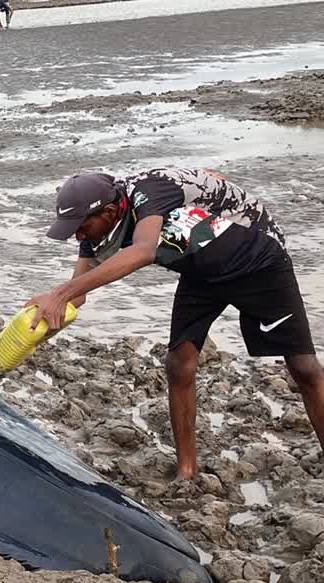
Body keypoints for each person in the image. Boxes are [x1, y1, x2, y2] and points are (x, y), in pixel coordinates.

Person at [28, 168, 324, 481]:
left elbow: (143, 251)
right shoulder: (95, 228)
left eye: (81, 227)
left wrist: (60, 294)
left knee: (303, 368)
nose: (79, 236)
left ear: (111, 211)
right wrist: (31, 327)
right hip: (200, 266)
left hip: (256, 259)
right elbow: (78, 294)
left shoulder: (149, 192)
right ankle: (187, 472)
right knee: (179, 363)